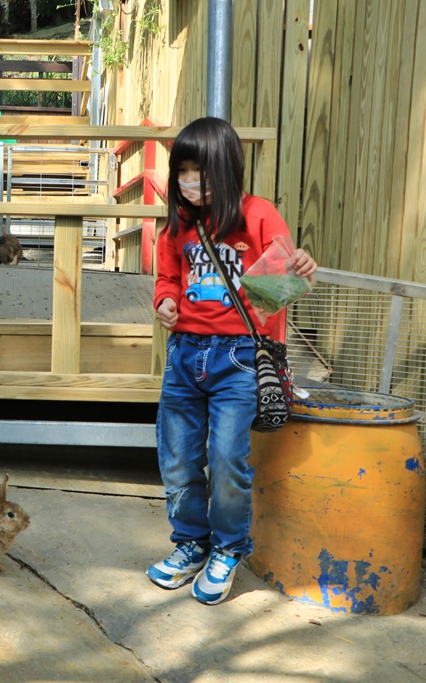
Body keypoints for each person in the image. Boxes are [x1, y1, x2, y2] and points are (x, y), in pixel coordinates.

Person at [146, 117, 318, 605]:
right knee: (177, 458)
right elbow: (167, 280)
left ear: (225, 170)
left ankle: (227, 548)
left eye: (198, 171)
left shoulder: (258, 215)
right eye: (181, 171)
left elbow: (286, 278)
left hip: (240, 359)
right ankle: (190, 544)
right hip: (184, 355)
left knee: (226, 460)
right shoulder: (177, 226)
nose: (188, 181)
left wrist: (302, 265)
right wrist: (164, 302)